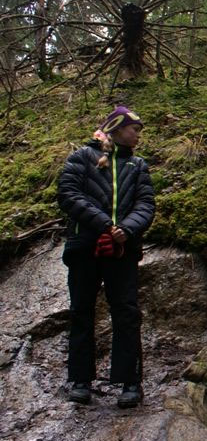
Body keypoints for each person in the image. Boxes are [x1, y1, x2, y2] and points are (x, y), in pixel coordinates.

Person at [57, 106, 155, 408]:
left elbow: (146, 204)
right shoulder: (81, 158)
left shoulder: (137, 165)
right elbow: (68, 194)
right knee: (82, 312)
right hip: (85, 248)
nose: (138, 134)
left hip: (122, 251)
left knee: (126, 313)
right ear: (116, 127)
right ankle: (80, 381)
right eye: (134, 128)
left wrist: (126, 229)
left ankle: (129, 383)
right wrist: (104, 224)